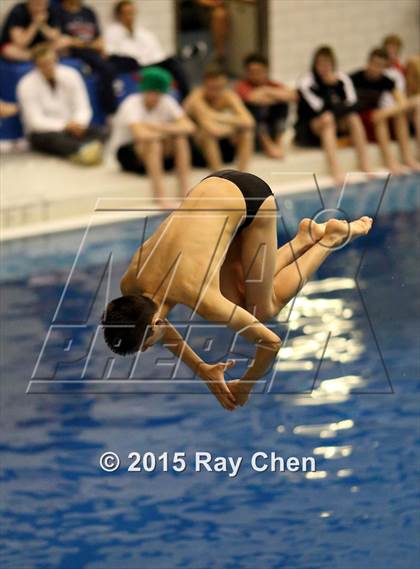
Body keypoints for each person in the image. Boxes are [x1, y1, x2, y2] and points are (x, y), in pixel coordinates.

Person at [101, 170, 373, 410]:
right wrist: (202, 369)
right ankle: (305, 238)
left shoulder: (199, 296)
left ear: (154, 323)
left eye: (147, 345)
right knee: (243, 294)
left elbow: (271, 343)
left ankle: (330, 237)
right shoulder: (131, 282)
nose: (150, 348)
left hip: (253, 199)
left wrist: (246, 384)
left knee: (264, 308)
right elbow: (157, 322)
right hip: (214, 183)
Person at [110, 66, 195, 207]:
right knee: (153, 141)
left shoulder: (167, 101)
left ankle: (185, 189)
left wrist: (158, 127)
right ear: (144, 90)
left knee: (180, 139)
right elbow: (140, 134)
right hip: (128, 156)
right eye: (151, 92)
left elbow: (190, 127)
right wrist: (167, 131)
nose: (154, 97)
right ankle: (159, 195)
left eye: (158, 93)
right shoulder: (131, 103)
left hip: (157, 153)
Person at [295, 45, 372, 185]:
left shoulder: (341, 79)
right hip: (309, 129)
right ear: (315, 64)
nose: (324, 68)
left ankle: (365, 164)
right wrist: (328, 89)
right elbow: (317, 108)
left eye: (327, 64)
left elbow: (354, 104)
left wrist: (335, 86)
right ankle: (336, 170)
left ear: (332, 64)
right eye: (320, 64)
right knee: (327, 120)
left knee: (353, 118)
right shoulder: (306, 81)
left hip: (334, 122)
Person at [17, 45, 105, 165]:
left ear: (56, 60)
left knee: (99, 132)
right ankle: (83, 150)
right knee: (54, 140)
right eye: (44, 64)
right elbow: (35, 121)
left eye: (51, 62)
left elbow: (83, 106)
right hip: (46, 131)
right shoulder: (26, 84)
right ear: (36, 65)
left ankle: (82, 151)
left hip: (74, 127)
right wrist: (65, 126)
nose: (49, 67)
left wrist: (78, 123)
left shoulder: (71, 75)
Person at [351, 48, 420, 174]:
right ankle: (389, 161)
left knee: (398, 115)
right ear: (368, 63)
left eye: (381, 66)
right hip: (360, 118)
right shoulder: (354, 78)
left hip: (376, 115)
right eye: (375, 64)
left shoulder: (386, 80)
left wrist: (385, 113)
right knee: (380, 119)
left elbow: (403, 103)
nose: (376, 69)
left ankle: (407, 158)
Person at [104, 0, 190, 99]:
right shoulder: (112, 32)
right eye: (126, 13)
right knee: (130, 62)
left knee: (172, 62)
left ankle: (186, 97)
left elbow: (158, 54)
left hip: (149, 64)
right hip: (133, 66)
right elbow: (111, 54)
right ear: (119, 15)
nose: (130, 17)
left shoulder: (143, 33)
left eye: (132, 13)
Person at [184, 65, 254, 171]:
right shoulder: (196, 97)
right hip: (198, 152)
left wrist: (218, 117)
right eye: (212, 88)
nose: (216, 92)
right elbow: (211, 128)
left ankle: (243, 173)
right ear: (204, 85)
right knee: (207, 134)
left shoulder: (228, 95)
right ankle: (218, 175)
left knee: (246, 133)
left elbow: (249, 122)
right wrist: (232, 124)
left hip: (222, 144)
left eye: (220, 88)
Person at [55, 0, 118, 115]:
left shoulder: (88, 12)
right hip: (75, 53)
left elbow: (99, 39)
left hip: (92, 50)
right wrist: (83, 44)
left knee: (122, 62)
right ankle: (111, 111)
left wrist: (83, 43)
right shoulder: (58, 12)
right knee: (106, 68)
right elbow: (62, 40)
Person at [235, 53, 297, 159]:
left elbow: (292, 95)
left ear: (266, 70)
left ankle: (278, 143)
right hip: (253, 134)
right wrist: (274, 95)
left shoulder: (271, 84)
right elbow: (252, 98)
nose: (256, 75)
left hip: (271, 128)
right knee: (254, 108)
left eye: (259, 71)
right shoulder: (242, 85)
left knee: (282, 104)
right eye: (252, 72)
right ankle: (268, 146)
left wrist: (266, 90)